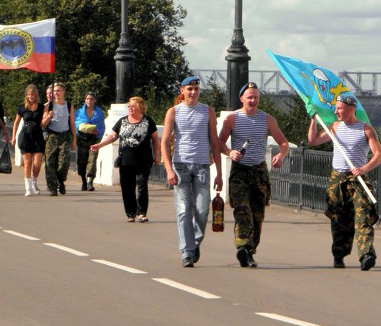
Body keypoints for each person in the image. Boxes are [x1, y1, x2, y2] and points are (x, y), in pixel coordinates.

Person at [218, 81, 289, 267]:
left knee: (258, 215)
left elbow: (283, 143)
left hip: (259, 172)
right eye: (249, 97)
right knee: (242, 210)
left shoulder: (267, 119)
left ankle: (250, 251)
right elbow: (219, 143)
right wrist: (229, 152)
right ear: (242, 98)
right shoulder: (232, 119)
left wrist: (281, 155)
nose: (253, 100)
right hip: (240, 171)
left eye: (256, 97)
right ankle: (241, 246)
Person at [307, 92, 381, 270]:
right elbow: (313, 140)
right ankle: (339, 254)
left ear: (351, 109)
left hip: (357, 179)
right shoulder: (334, 127)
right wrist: (313, 120)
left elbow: (378, 155)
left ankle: (366, 255)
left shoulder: (366, 129)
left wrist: (364, 168)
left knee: (363, 216)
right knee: (340, 220)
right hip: (338, 179)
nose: (336, 112)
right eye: (336, 108)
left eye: (339, 109)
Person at [161, 76, 223, 267]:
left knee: (203, 211)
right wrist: (169, 169)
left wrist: (219, 173)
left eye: (196, 89)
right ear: (182, 91)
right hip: (180, 166)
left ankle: (194, 242)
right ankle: (187, 253)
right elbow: (164, 142)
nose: (193, 92)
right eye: (189, 89)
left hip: (202, 167)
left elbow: (215, 142)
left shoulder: (208, 111)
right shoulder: (174, 112)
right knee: (183, 211)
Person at [91, 96, 159, 222]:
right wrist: (99, 145)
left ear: (140, 107)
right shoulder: (122, 121)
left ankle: (142, 213)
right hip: (126, 161)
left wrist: (157, 156)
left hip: (144, 160)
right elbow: (112, 136)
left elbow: (155, 139)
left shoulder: (148, 121)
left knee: (142, 185)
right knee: (127, 187)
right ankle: (130, 213)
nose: (130, 108)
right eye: (129, 106)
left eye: (133, 106)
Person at [42, 81, 76, 196]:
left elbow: (72, 123)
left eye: (58, 91)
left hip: (64, 135)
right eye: (54, 91)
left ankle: (60, 179)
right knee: (50, 162)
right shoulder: (48, 106)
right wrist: (48, 116)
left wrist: (74, 139)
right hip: (52, 135)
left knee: (64, 161)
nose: (56, 93)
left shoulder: (69, 105)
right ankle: (52, 187)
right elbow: (43, 124)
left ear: (63, 92)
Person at [12, 84, 45, 196]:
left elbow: (43, 122)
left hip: (38, 136)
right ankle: (28, 188)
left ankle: (34, 182)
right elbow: (16, 123)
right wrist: (13, 137)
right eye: (29, 94)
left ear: (36, 95)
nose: (31, 96)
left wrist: (48, 116)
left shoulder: (41, 107)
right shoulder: (22, 108)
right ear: (26, 95)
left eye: (33, 94)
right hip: (25, 136)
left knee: (37, 163)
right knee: (27, 163)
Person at [75, 91, 105, 191]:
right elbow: (75, 123)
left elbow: (101, 126)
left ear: (95, 100)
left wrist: (97, 132)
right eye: (87, 99)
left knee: (92, 159)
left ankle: (90, 182)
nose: (89, 101)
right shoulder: (79, 112)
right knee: (82, 160)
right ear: (85, 100)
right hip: (82, 138)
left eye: (91, 99)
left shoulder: (99, 113)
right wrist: (82, 126)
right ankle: (83, 180)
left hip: (94, 139)